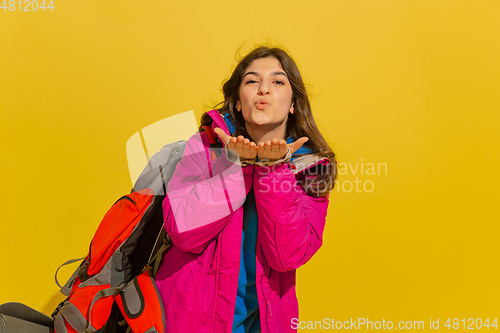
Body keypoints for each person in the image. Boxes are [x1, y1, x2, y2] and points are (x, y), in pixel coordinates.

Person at [154, 45, 338, 333]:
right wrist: (237, 166)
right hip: (186, 321)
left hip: (265, 322)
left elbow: (287, 255)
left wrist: (272, 168)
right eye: (252, 81)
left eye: (277, 82)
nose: (263, 89)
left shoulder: (310, 167)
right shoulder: (203, 146)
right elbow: (183, 232)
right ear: (238, 102)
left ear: (293, 103)